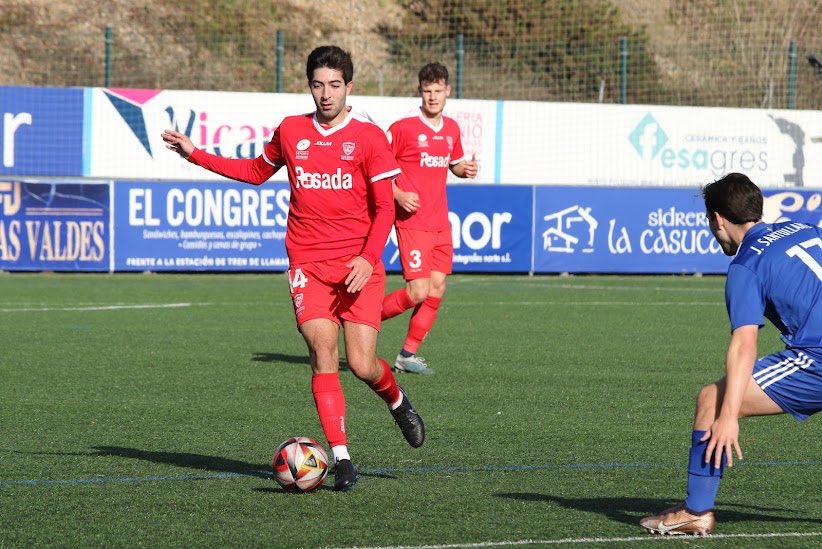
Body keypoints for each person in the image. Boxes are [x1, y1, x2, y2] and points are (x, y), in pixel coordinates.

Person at [160, 45, 425, 492]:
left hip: (359, 264)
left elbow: (385, 209)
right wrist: (195, 154)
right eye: (318, 85)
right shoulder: (291, 131)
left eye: (335, 85)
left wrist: (366, 257)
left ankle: (397, 402)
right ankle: (341, 459)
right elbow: (254, 170)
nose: (326, 94)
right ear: (309, 86)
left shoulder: (368, 137)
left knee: (361, 365)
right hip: (307, 263)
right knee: (323, 353)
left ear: (349, 87)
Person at [640, 172, 822, 535]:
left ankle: (697, 510)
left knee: (711, 399)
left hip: (816, 361)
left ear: (718, 218)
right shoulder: (804, 228)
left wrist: (728, 416)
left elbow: (744, 346)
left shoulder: (746, 265)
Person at [381, 62, 478, 375]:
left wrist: (466, 170)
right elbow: (377, 170)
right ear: (420, 92)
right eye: (427, 91)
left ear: (448, 91)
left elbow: (455, 164)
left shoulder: (451, 129)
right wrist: (397, 194)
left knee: (436, 289)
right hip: (412, 221)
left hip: (440, 222)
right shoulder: (402, 128)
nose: (433, 97)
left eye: (438, 91)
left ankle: (407, 355)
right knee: (417, 292)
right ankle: (359, 317)